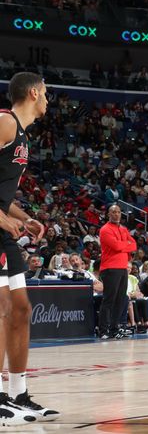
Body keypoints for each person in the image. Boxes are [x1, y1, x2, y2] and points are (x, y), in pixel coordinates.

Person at [0, 72, 59, 423]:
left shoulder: (22, 136)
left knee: (21, 309)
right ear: (34, 92)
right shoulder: (5, 122)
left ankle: (17, 393)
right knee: (4, 306)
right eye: (46, 93)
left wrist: (25, 217)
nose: (48, 100)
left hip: (4, 230)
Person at [98, 204, 137, 339]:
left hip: (122, 268)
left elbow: (134, 245)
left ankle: (114, 329)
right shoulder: (105, 230)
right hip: (110, 268)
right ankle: (103, 330)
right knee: (109, 299)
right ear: (108, 214)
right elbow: (116, 246)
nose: (116, 214)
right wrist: (126, 245)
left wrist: (124, 246)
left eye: (118, 212)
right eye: (113, 212)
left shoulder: (124, 229)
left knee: (121, 299)